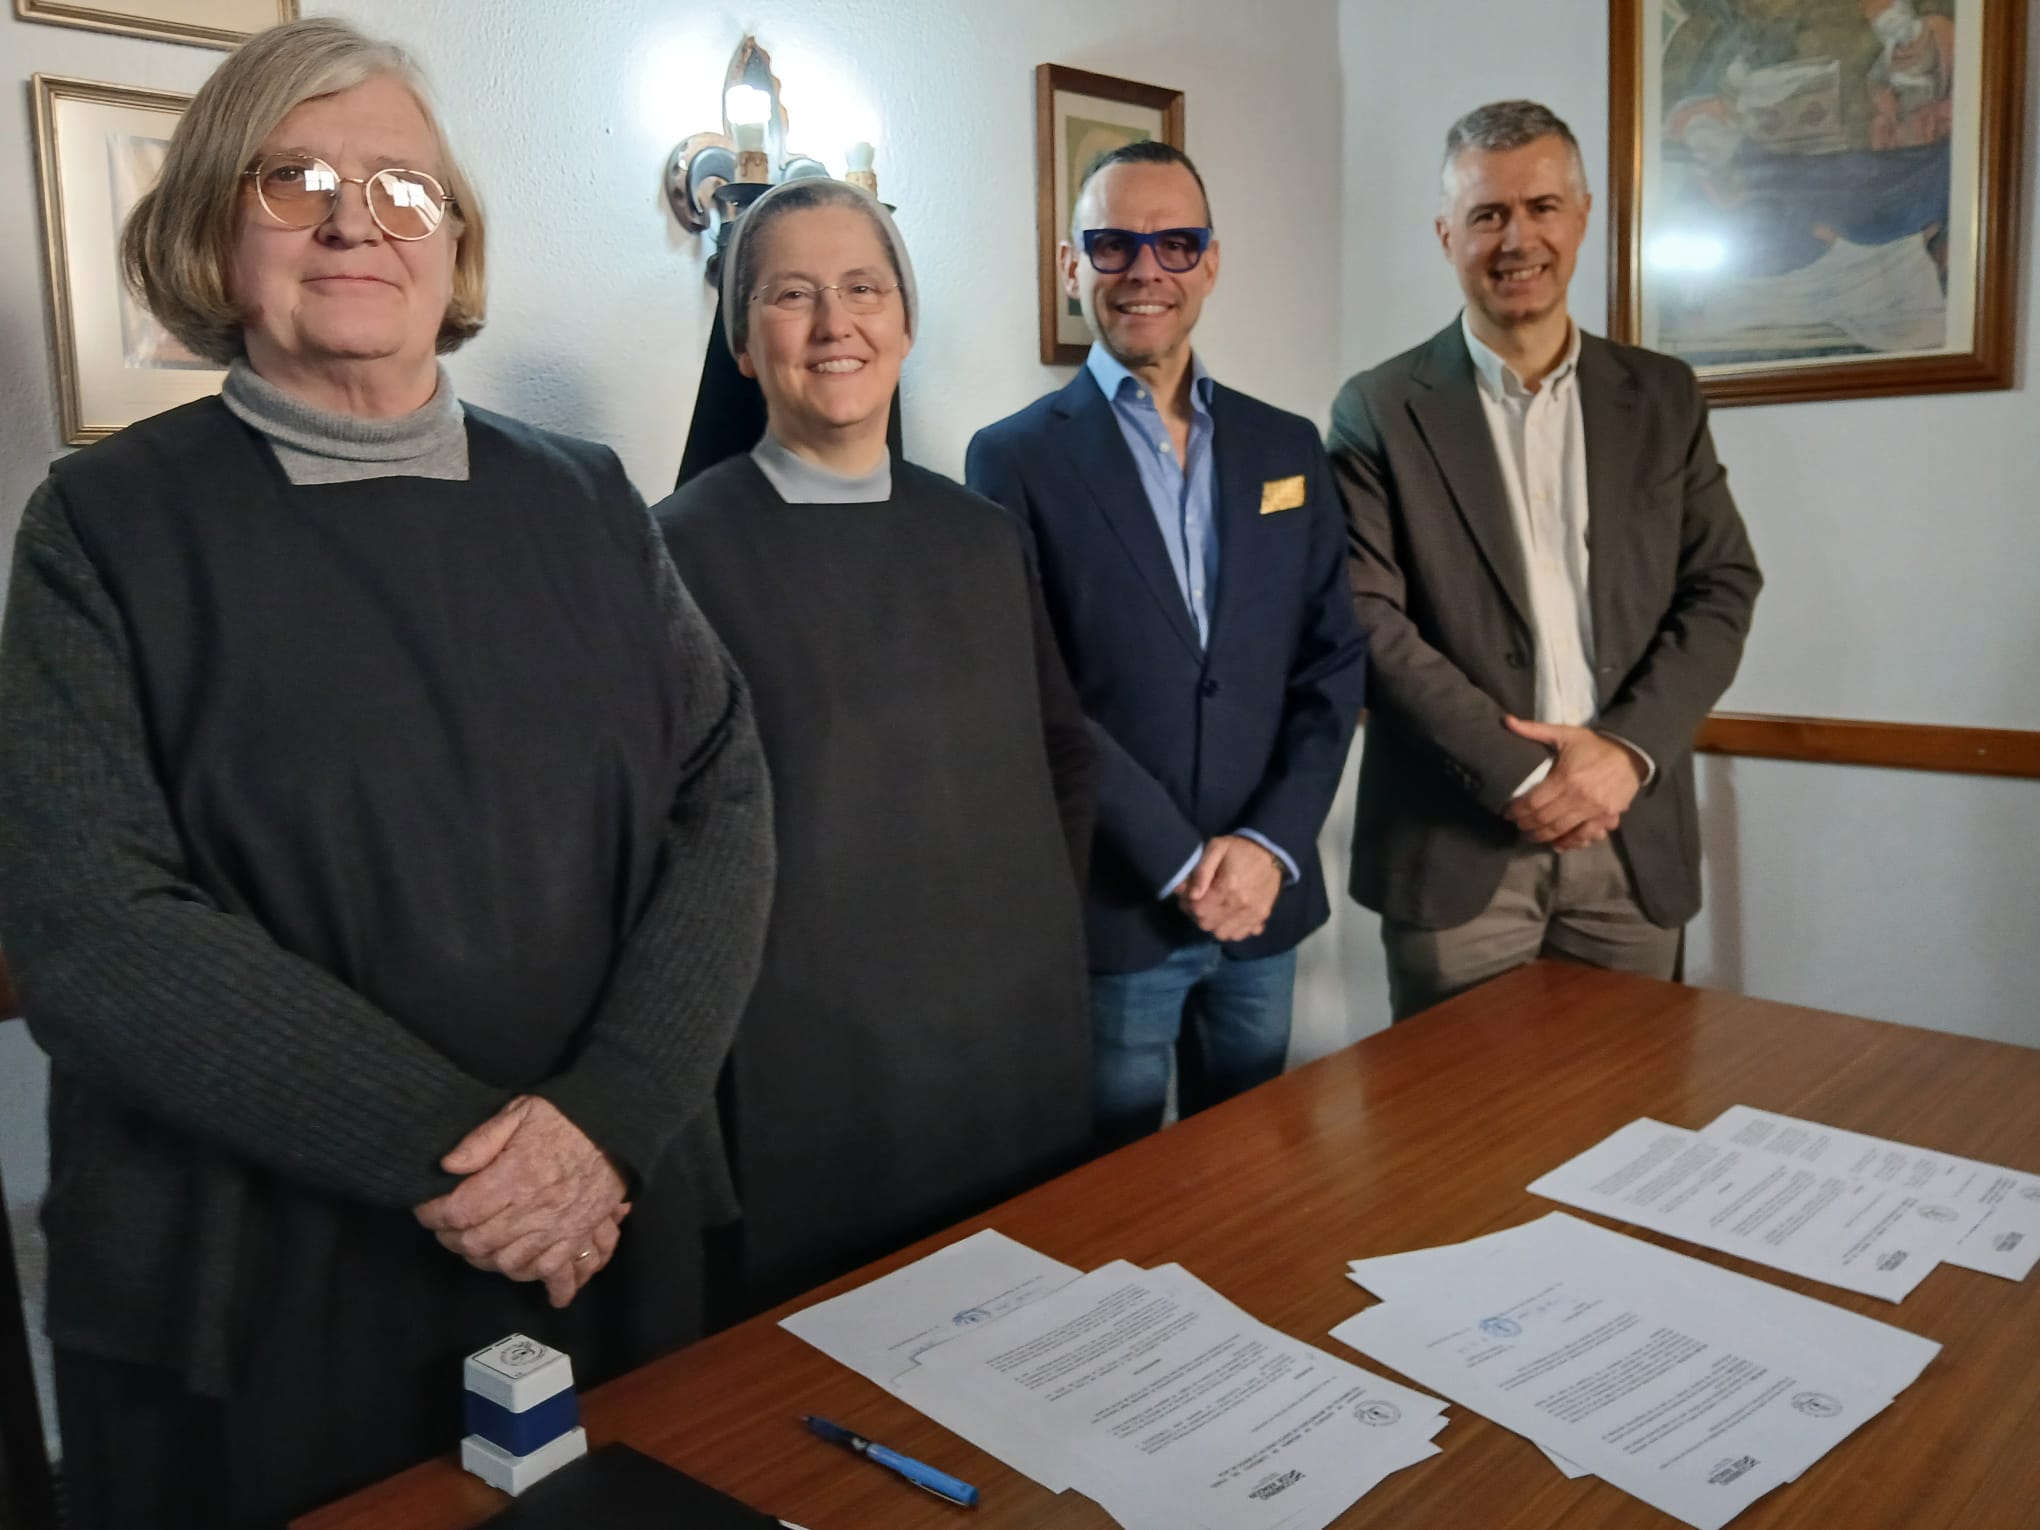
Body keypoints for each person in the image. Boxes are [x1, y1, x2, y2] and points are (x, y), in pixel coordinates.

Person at [0, 20, 772, 1525]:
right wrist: (483, 1165)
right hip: (268, 1285)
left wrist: (608, 1117)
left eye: (404, 190)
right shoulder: (99, 525)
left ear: (457, 244)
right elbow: (98, 930)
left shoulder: (589, 496)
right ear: (214, 230)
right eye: (294, 180)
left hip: (607, 1225)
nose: (357, 219)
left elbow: (724, 798)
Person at [653, 179, 1096, 1313]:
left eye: (862, 288)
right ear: (743, 344)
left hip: (1011, 1051)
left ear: (905, 320)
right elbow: (657, 847)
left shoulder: (984, 537)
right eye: (791, 296)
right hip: (808, 1079)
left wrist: (1038, 951)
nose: (833, 323)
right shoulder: (676, 553)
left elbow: (1060, 760)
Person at [967, 143, 1366, 1149]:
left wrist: (1267, 848)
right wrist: (1182, 859)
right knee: (1112, 1195)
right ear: (1073, 266)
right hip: (1120, 905)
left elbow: (1330, 665)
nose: (1146, 269)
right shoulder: (1013, 457)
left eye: (1175, 243)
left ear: (1211, 264)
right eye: (1113, 244)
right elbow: (1033, 688)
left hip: (1265, 898)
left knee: (1253, 1173)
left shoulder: (1287, 448)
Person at [1328, 100, 1762, 1022]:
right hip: (1456, 844)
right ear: (1447, 234)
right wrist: (1528, 780)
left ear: (1584, 216)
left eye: (1541, 207)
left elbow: (1721, 584)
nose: (1516, 237)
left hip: (1630, 833)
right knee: (1459, 1148)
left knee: (1634, 1134)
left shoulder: (1664, 397)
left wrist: (1624, 755)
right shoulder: (1376, 409)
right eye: (1487, 214)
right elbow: (1366, 617)